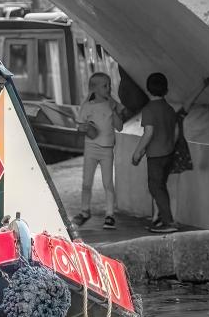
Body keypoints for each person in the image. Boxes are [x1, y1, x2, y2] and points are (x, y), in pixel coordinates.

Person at [73, 72, 125, 229]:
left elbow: (120, 127)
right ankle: (84, 211)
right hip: (91, 148)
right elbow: (79, 126)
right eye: (105, 86)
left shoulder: (112, 105)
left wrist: (114, 110)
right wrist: (85, 128)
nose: (109, 88)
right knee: (86, 182)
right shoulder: (87, 106)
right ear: (94, 89)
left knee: (108, 183)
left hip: (107, 149)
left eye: (109, 85)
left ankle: (110, 215)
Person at [132, 72, 178, 233]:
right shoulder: (169, 109)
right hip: (168, 154)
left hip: (156, 156)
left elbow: (149, 133)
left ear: (148, 89)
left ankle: (169, 222)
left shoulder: (149, 110)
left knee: (155, 187)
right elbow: (175, 131)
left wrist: (137, 152)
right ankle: (159, 219)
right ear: (166, 90)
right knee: (161, 186)